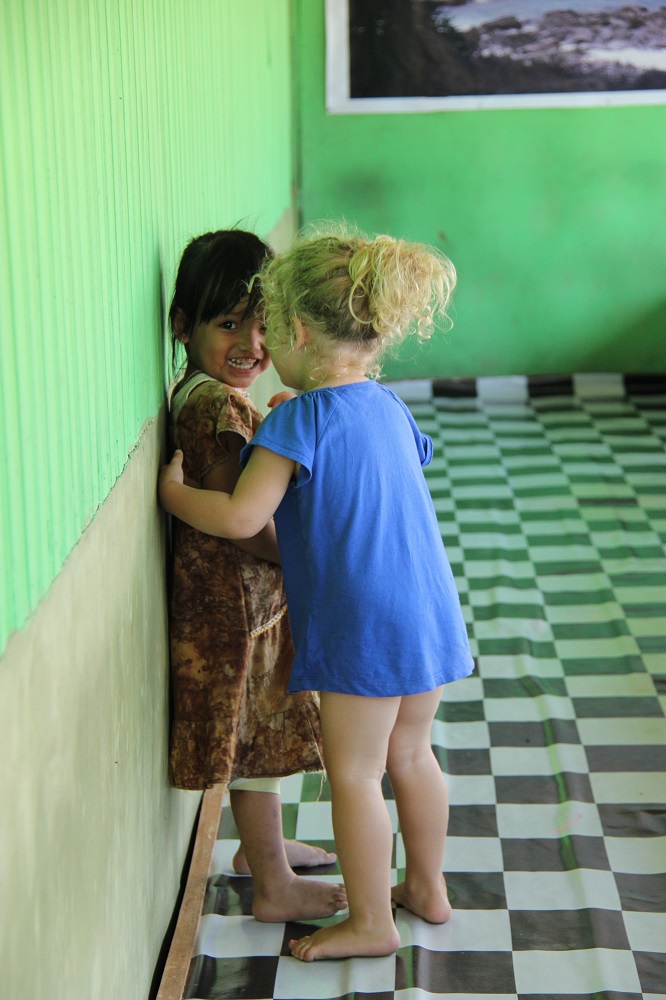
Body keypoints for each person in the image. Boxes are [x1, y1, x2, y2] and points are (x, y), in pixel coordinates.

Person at [159, 226, 475, 960]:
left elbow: (242, 517)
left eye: (270, 327)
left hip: (362, 628)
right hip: (429, 614)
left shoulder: (293, 421)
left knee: (357, 774)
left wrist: (174, 494)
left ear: (297, 331)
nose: (263, 344)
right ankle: (427, 887)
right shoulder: (388, 405)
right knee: (413, 754)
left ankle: (370, 923)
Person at [165, 229, 346, 923]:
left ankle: (259, 851)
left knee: (263, 734)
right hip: (236, 608)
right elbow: (241, 520)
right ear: (182, 325)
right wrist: (305, 561)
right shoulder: (214, 406)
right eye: (228, 324)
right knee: (253, 740)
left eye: (264, 326)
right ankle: (272, 883)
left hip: (251, 602)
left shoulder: (215, 395)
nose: (251, 344)